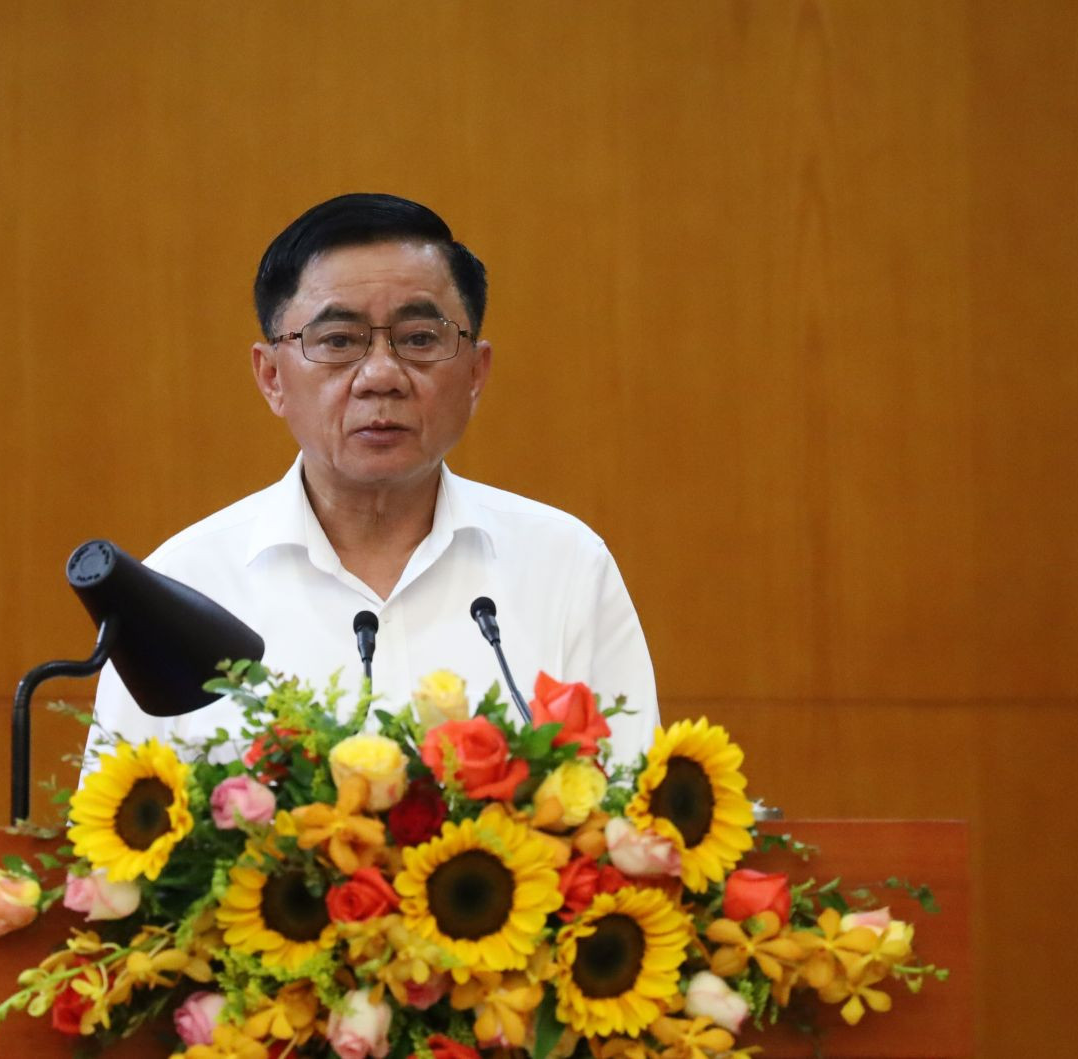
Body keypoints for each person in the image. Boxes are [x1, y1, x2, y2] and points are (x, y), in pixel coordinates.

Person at [86, 193, 658, 764]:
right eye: (339, 341)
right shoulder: (184, 584)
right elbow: (119, 816)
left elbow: (635, 805)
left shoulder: (565, 566)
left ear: (476, 373)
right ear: (272, 377)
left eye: (419, 339)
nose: (381, 376)